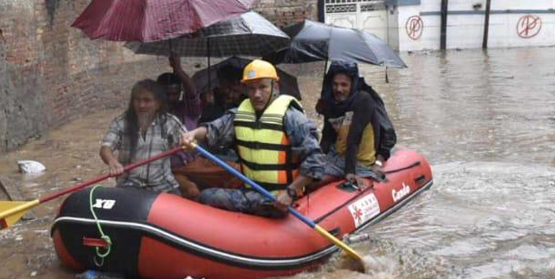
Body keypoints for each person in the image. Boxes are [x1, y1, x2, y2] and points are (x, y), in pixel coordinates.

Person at [180, 59, 322, 216]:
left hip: (280, 197)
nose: (257, 95)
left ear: (275, 86)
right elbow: (213, 129)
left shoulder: (293, 118)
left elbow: (315, 162)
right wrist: (193, 134)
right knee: (206, 196)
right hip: (250, 191)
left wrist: (290, 192)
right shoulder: (240, 114)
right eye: (251, 89)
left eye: (262, 87)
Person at [275, 61, 389, 206]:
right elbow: (327, 138)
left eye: (344, 85)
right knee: (304, 170)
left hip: (358, 160)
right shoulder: (331, 102)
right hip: (336, 156)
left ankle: (303, 204)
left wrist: (350, 173)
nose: (338, 89)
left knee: (313, 182)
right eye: (335, 84)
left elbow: (353, 139)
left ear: (353, 85)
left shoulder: (363, 100)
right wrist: (316, 158)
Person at [100, 80, 183, 194]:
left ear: (158, 103)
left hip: (163, 186)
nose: (141, 105)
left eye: (147, 100)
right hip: (129, 185)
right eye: (137, 100)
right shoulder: (121, 122)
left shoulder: (170, 122)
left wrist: (187, 144)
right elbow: (106, 148)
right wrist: (111, 161)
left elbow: (188, 142)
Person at [156, 52, 202, 131]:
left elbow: (192, 94)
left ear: (180, 92)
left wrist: (178, 69)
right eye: (166, 94)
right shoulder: (152, 113)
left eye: (174, 94)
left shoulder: (188, 109)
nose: (170, 98)